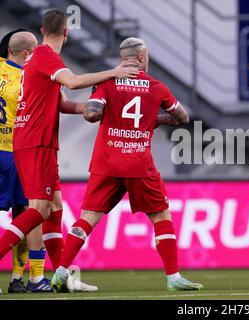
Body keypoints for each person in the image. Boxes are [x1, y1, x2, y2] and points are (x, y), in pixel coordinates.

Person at [0, 9, 138, 294]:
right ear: (66, 32)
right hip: (37, 142)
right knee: (38, 210)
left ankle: (60, 276)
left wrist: (91, 110)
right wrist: (115, 72)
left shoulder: (36, 59)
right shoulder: (47, 57)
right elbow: (73, 82)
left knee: (54, 209)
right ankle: (38, 278)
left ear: (42, 30)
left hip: (32, 141)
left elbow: (61, 102)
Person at [51, 37, 203, 292]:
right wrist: (156, 119)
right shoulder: (157, 86)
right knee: (160, 216)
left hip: (106, 162)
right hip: (139, 164)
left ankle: (60, 271)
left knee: (87, 217)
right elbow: (183, 117)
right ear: (142, 58)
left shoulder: (106, 83)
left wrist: (100, 112)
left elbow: (91, 114)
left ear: (123, 58)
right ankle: (174, 277)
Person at [0, 29, 55, 293]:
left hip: (10, 152)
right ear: (25, 52)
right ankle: (30, 278)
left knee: (27, 214)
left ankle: (19, 279)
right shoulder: (31, 76)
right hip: (19, 152)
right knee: (30, 214)